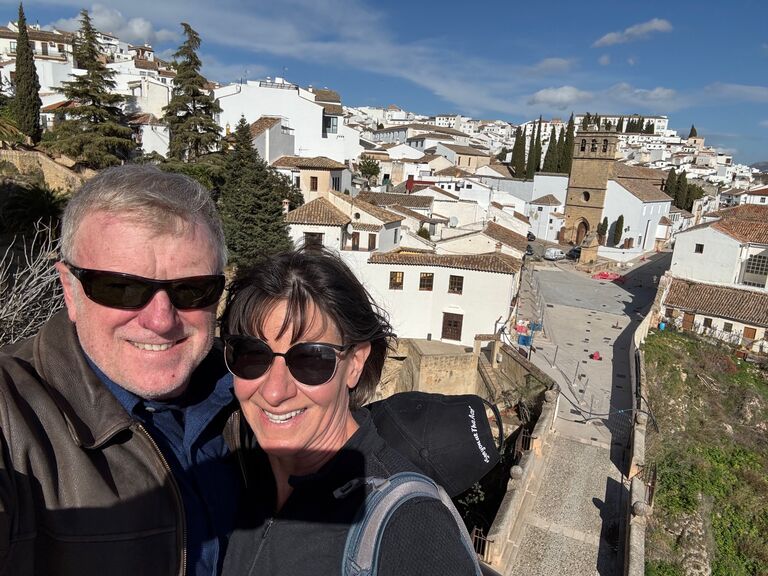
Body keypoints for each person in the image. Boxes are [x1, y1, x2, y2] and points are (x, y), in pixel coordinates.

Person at [0, 165, 241, 576]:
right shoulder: (10, 412)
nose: (161, 320)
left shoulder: (256, 391)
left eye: (191, 289)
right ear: (69, 291)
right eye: (122, 289)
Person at [220, 248, 480, 576]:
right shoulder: (242, 469)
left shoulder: (411, 525)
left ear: (355, 363)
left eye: (311, 360)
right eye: (252, 355)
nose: (274, 391)